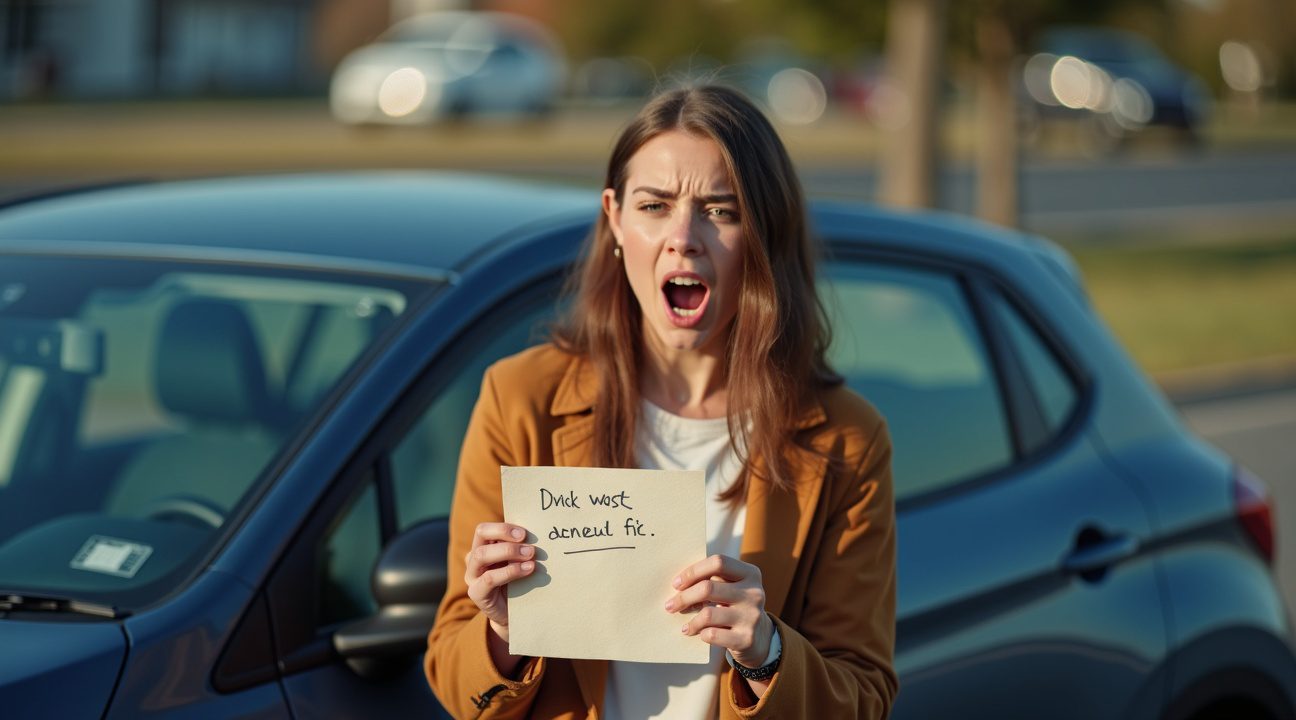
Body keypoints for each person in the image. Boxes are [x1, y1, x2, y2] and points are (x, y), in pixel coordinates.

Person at [425, 84, 897, 719]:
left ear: (765, 232)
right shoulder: (520, 399)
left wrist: (767, 652)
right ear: (614, 218)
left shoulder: (845, 440)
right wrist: (503, 633)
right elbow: (460, 690)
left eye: (721, 211)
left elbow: (863, 698)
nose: (683, 237)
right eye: (655, 205)